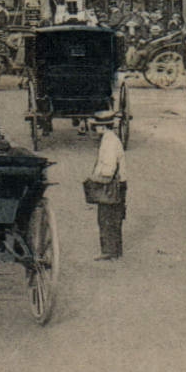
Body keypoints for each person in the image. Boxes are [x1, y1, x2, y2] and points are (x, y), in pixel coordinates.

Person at [83, 109, 128, 260]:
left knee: (107, 219)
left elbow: (108, 171)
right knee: (114, 219)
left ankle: (109, 251)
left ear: (102, 127)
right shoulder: (111, 139)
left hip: (111, 187)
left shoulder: (109, 143)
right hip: (117, 185)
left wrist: (93, 178)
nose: (95, 129)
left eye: (96, 126)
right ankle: (115, 251)